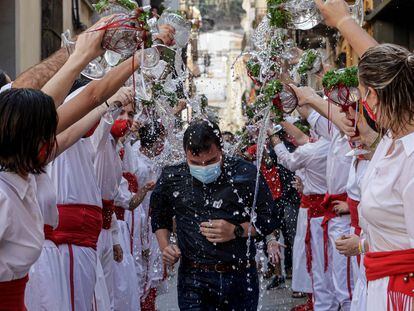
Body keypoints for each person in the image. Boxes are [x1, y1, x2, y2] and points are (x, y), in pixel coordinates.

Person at [151, 119, 281, 310]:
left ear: (221, 149)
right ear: (185, 153)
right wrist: (166, 247)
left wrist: (236, 230)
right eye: (195, 163)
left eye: (211, 161)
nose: (203, 167)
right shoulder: (173, 177)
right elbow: (159, 217)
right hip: (194, 279)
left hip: (239, 276)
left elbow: (269, 219)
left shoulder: (245, 174)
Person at [269, 122, 332, 311]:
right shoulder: (326, 144)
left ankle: (321, 302)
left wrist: (274, 138)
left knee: (315, 258)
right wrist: (281, 121)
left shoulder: (315, 149)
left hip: (315, 213)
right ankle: (316, 300)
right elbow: (303, 139)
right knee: (313, 257)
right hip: (312, 209)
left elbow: (289, 161)